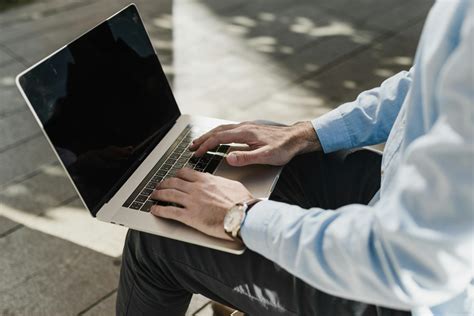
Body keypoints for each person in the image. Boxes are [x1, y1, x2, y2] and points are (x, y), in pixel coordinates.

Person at [116, 1, 473, 315]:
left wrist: (241, 216)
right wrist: (306, 134)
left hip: (410, 296)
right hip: (402, 199)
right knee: (261, 158)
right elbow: (422, 82)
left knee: (156, 241)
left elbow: (410, 260)